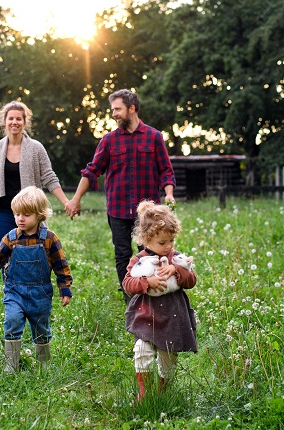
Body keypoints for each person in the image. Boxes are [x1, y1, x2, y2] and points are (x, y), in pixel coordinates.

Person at [65, 89, 176, 303]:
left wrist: (169, 194)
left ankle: (154, 297)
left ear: (131, 108)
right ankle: (132, 300)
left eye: (118, 109)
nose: (114, 113)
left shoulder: (154, 137)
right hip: (118, 209)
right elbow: (92, 170)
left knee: (151, 252)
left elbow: (166, 170)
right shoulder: (109, 140)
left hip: (148, 212)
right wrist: (75, 199)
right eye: (113, 109)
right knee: (123, 255)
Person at [0, 186, 73, 372]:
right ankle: (11, 365)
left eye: (26, 214)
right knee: (12, 321)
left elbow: (61, 265)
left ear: (40, 215)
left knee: (42, 329)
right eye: (17, 214)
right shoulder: (10, 238)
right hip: (15, 292)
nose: (20, 218)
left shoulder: (49, 239)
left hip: (40, 294)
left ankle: (43, 365)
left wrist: (65, 288)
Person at [121, 200, 197, 401]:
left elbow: (192, 281)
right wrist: (147, 281)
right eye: (162, 243)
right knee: (142, 351)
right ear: (146, 240)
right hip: (146, 314)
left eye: (171, 241)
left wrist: (177, 269)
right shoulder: (138, 260)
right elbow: (127, 283)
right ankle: (144, 394)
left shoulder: (177, 258)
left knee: (168, 356)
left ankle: (164, 390)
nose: (168, 246)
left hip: (172, 316)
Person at [0, 100, 71, 255]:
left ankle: (28, 280)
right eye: (11, 118)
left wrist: (66, 202)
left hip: (29, 212)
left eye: (18, 119)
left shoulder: (36, 148)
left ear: (24, 122)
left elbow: (49, 177)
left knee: (30, 253)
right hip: (2, 211)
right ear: (5, 122)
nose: (15, 122)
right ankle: (8, 281)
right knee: (4, 255)